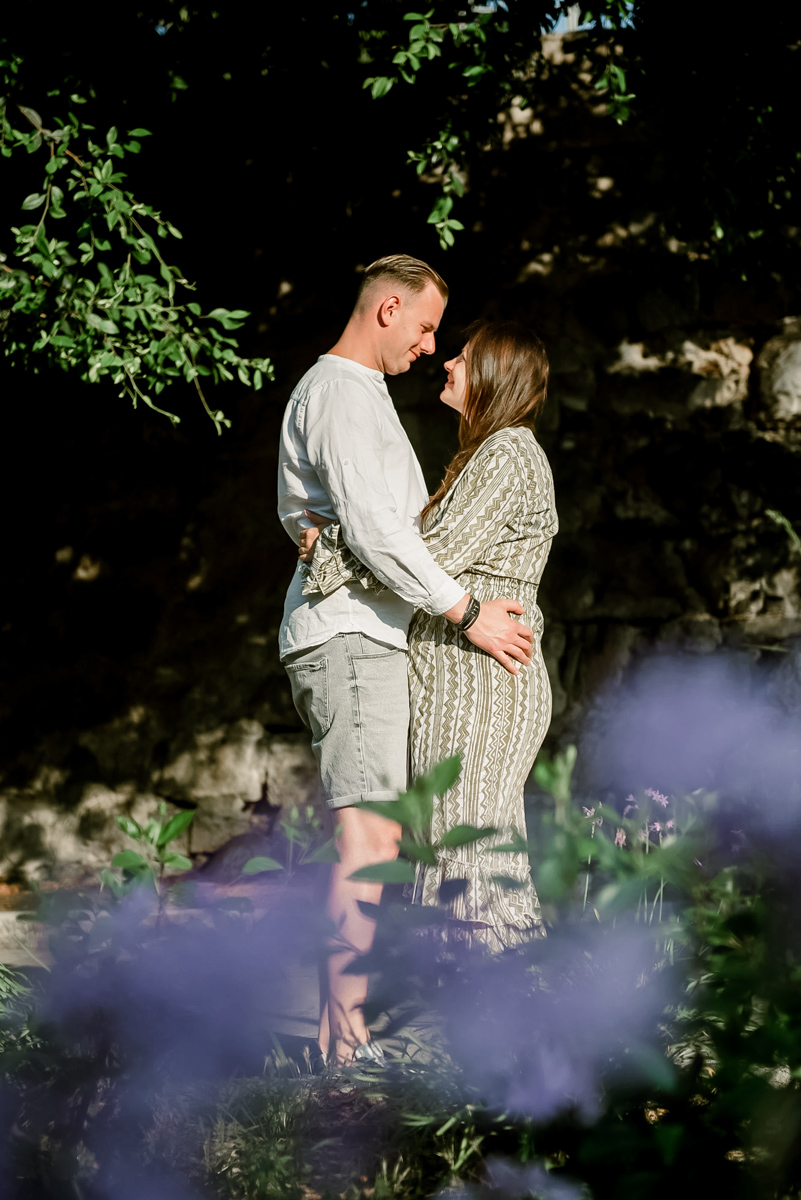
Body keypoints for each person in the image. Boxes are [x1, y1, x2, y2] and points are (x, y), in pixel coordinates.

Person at [277, 257, 534, 1067]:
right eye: (424, 328)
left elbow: (366, 529)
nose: (430, 347)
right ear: (388, 308)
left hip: (365, 632)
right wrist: (465, 612)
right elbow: (384, 537)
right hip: (349, 635)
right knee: (370, 841)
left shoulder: (362, 399)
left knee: (381, 839)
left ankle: (343, 1037)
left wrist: (330, 538)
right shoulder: (340, 396)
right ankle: (342, 1046)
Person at [300, 320, 557, 952]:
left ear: (495, 375)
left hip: (480, 692)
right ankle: (533, 1028)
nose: (446, 363)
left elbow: (431, 551)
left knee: (465, 868)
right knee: (469, 862)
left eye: (464, 359)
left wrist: (326, 549)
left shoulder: (508, 453)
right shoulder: (492, 453)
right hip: (467, 685)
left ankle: (519, 1024)